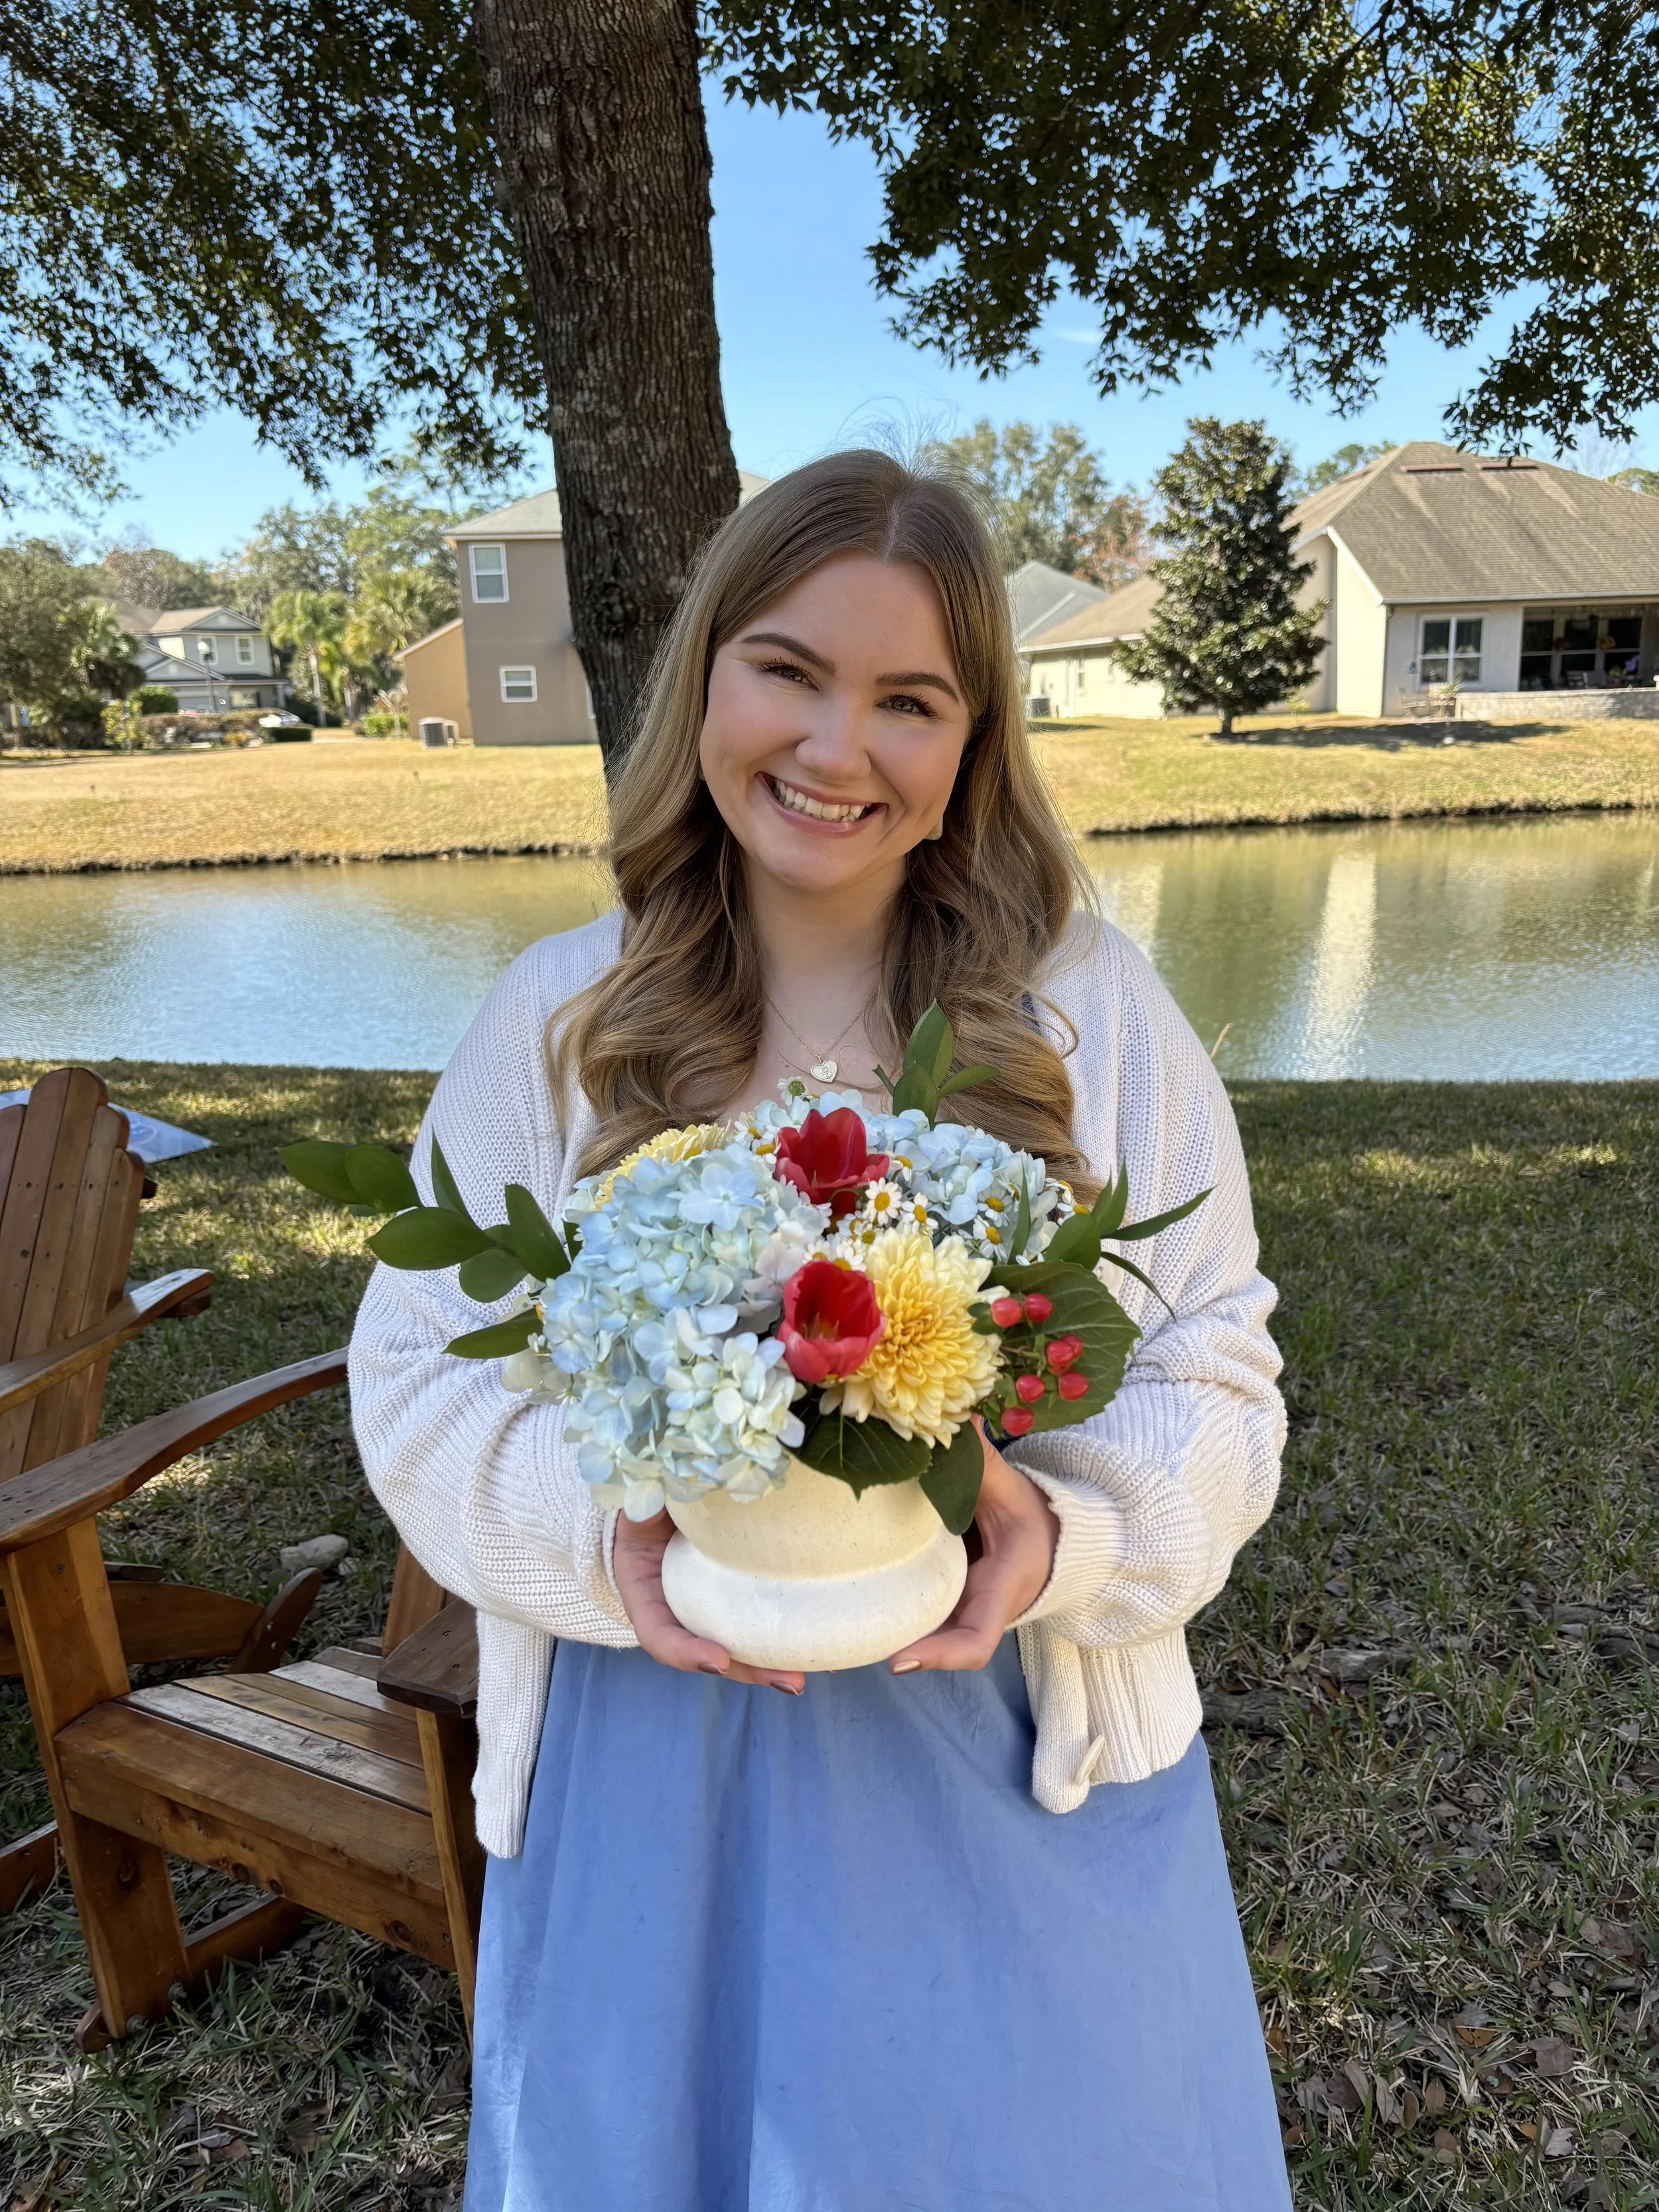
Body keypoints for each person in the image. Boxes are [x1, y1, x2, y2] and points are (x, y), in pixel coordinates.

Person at [350, 451, 1291, 2210]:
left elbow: (1213, 1368)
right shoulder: (557, 1019)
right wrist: (605, 1529)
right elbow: (415, 1382)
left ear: (968, 751)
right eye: (785, 666)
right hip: (657, 1770)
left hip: (1023, 1749)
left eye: (906, 700)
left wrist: (1067, 1534)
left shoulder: (1089, 1013)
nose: (834, 746)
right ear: (704, 672)